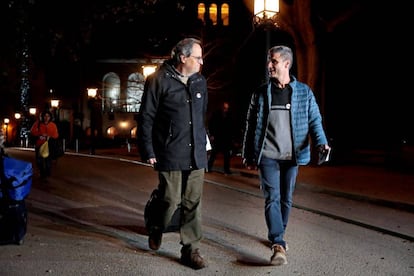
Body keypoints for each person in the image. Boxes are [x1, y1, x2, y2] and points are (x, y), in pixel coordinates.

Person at [242, 45, 331, 266]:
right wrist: (247, 154)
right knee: (272, 196)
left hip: (293, 156)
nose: (269, 65)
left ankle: (278, 233)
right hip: (268, 156)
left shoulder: (303, 92)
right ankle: (278, 242)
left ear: (286, 64)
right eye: (269, 61)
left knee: (286, 198)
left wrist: (321, 143)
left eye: (273, 61)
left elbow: (314, 121)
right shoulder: (261, 93)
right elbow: (250, 125)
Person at [137, 37, 208, 270]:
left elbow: (200, 117)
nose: (201, 62)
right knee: (169, 200)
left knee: (192, 202)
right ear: (183, 57)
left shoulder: (200, 82)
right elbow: (146, 117)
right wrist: (148, 149)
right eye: (197, 57)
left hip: (196, 153)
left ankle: (191, 249)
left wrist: (205, 145)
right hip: (170, 152)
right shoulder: (158, 80)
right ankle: (156, 226)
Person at [30, 110, 59, 180]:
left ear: (50, 117)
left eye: (48, 116)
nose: (46, 118)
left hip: (49, 145)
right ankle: (42, 173)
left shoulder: (53, 125)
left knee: (48, 160)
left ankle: (46, 173)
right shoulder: (38, 123)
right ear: (42, 117)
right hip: (39, 145)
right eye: (45, 116)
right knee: (39, 160)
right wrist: (39, 134)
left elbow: (56, 135)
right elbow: (32, 131)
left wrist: (49, 136)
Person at [207, 101, 233, 174]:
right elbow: (211, 124)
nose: (226, 110)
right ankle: (208, 167)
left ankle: (226, 170)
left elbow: (231, 126)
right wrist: (211, 134)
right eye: (224, 108)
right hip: (217, 137)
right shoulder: (216, 114)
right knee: (213, 154)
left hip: (225, 138)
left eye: (227, 108)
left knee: (227, 155)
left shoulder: (229, 115)